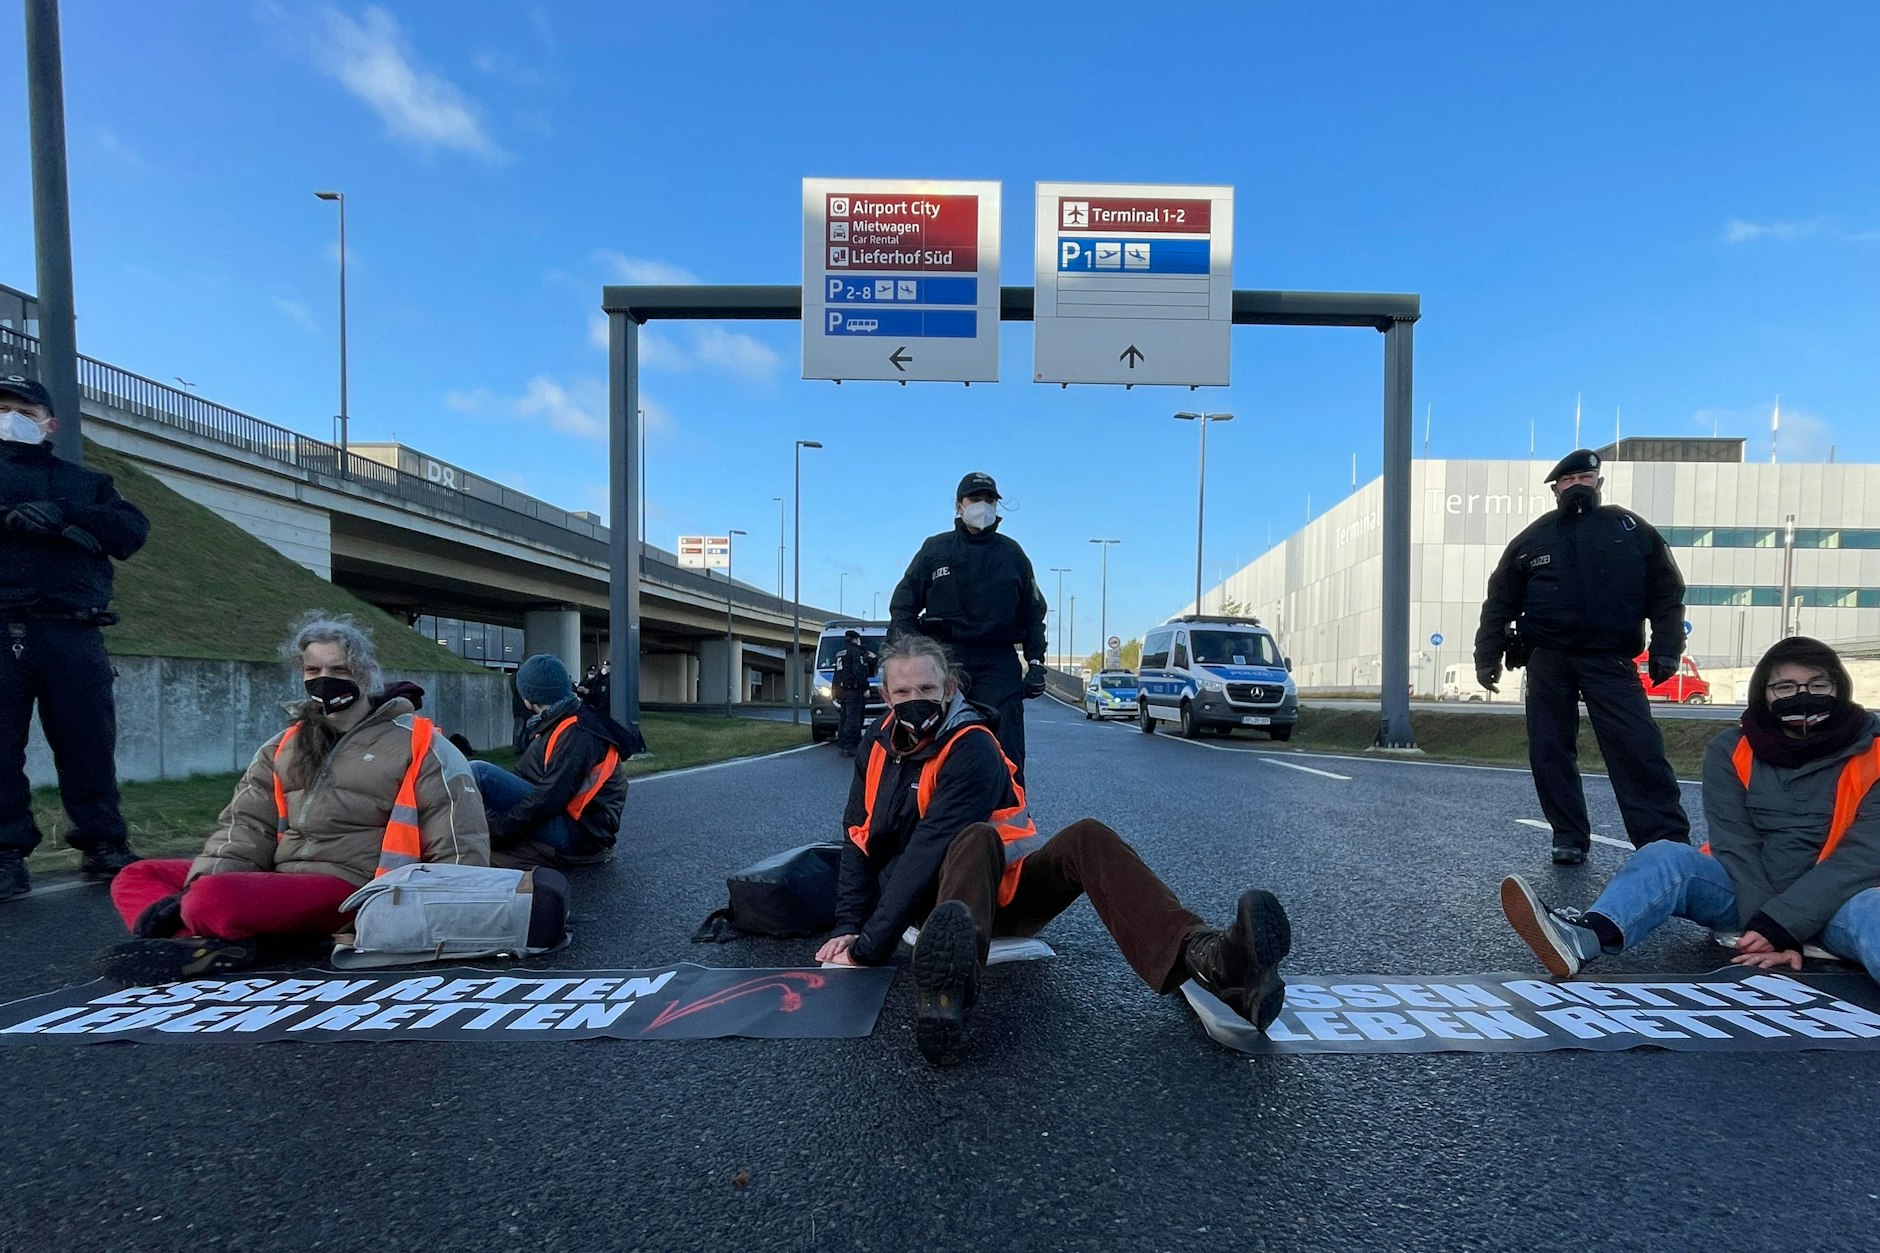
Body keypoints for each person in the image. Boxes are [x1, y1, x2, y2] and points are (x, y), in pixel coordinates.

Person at [818, 634, 1293, 1066]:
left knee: (1081, 836)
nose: (915, 700)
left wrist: (869, 948)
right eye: (903, 692)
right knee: (976, 839)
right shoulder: (874, 746)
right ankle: (947, 998)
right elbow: (857, 837)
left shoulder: (972, 748)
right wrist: (851, 928)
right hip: (933, 909)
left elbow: (930, 846)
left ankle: (1218, 962)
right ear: (886, 697)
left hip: (1000, 895)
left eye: (926, 689)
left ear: (949, 690)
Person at [95, 614, 489, 983]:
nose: (324, 680)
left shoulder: (418, 744)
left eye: (339, 670)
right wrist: (203, 882)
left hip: (354, 889)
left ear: (366, 673)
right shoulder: (282, 745)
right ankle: (208, 940)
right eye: (313, 670)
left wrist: (446, 915)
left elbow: (457, 839)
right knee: (137, 876)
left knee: (210, 900)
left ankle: (205, 933)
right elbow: (246, 826)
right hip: (280, 877)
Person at [1501, 636, 1880, 979]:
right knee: (1664, 856)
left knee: (1875, 910)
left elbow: (1864, 857)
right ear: (1763, 694)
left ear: (1839, 688)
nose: (1803, 696)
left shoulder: (1874, 750)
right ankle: (1584, 937)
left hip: (1841, 901)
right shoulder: (1730, 749)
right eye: (1786, 687)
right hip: (1749, 894)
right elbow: (1736, 845)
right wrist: (1767, 928)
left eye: (1818, 685)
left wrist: (1783, 925)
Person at [1473, 448, 1691, 865]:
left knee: (1637, 746)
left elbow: (1666, 594)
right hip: (1547, 658)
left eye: (1584, 479)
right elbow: (1498, 601)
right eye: (1568, 480)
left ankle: (1664, 842)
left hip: (1610, 659)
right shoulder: (1532, 538)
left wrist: (1667, 649)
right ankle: (1568, 836)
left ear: (1598, 483)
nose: (1577, 485)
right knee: (1550, 750)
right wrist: (1488, 655)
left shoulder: (1630, 529)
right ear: (1556, 489)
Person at [0, 373, 151, 901]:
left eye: (25, 411)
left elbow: (130, 531)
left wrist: (65, 514)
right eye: (2, 408)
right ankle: (5, 853)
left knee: (88, 744)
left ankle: (103, 843)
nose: (11, 419)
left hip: (74, 628)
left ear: (50, 424)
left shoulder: (87, 483)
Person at [889, 472, 1048, 784]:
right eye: (975, 499)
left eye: (989, 500)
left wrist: (1036, 662)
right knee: (935, 740)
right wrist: (911, 656)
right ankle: (931, 805)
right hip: (945, 659)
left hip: (997, 661)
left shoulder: (1012, 554)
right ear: (959, 505)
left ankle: (1006, 810)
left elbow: (1033, 612)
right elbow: (902, 606)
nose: (982, 506)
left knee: (1006, 748)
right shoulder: (935, 550)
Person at [470, 653, 637, 869]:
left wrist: (496, 833)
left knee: (478, 773)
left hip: (580, 835)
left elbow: (547, 800)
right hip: (573, 825)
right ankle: (464, 838)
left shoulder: (577, 733)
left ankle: (458, 840)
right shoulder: (561, 722)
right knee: (479, 783)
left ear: (528, 698)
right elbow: (524, 777)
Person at [833, 628, 877, 757]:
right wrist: (865, 687)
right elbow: (860, 671)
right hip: (854, 690)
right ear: (857, 639)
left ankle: (842, 745)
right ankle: (850, 746)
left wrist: (835, 691)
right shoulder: (856, 653)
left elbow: (837, 674)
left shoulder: (840, 653)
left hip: (842, 690)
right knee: (854, 719)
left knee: (844, 719)